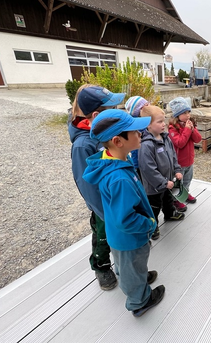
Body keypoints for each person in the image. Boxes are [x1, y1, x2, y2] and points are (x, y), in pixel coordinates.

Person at [82, 109, 165, 317]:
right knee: (132, 263)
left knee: (126, 265)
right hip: (130, 238)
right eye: (136, 131)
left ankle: (137, 277)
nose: (141, 133)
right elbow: (126, 219)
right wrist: (148, 224)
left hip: (118, 237)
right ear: (118, 141)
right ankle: (140, 301)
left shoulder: (110, 158)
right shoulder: (119, 178)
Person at [69, 85, 125, 290]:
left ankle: (123, 265)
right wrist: (105, 212)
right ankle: (100, 265)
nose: (118, 112)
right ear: (96, 114)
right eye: (113, 108)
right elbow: (88, 186)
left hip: (115, 199)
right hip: (103, 206)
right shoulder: (83, 145)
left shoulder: (102, 131)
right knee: (102, 235)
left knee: (117, 235)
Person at [139, 105, 185, 240]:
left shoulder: (165, 138)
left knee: (167, 200)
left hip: (168, 181)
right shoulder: (146, 145)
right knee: (154, 207)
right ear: (148, 125)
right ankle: (153, 227)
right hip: (154, 186)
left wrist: (177, 170)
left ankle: (169, 213)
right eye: (159, 121)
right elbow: (148, 169)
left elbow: (173, 156)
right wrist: (163, 182)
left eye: (163, 120)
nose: (163, 124)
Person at [167, 97, 202, 212]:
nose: (188, 115)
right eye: (184, 113)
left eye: (188, 112)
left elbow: (197, 139)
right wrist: (187, 130)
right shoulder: (172, 128)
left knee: (187, 180)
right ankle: (176, 200)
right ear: (177, 115)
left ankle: (185, 194)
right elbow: (180, 143)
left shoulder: (189, 124)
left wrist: (192, 129)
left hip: (189, 161)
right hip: (179, 163)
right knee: (179, 183)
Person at [124, 96, 150, 176]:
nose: (150, 105)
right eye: (147, 105)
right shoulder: (139, 124)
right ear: (140, 110)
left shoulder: (139, 121)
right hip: (140, 161)